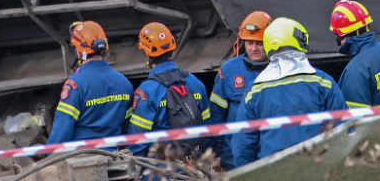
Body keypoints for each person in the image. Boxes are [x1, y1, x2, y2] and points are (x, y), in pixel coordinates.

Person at [231, 18, 347, 167]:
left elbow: (243, 144)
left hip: (273, 172)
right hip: (318, 168)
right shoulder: (322, 82)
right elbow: (343, 130)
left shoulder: (255, 91)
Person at [127, 23, 211, 159]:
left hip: (162, 170)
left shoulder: (146, 92)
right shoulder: (196, 82)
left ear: (147, 54)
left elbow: (138, 141)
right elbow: (208, 127)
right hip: (195, 166)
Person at [47, 21, 133, 144]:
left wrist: (48, 155)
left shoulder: (75, 85)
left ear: (80, 50)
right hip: (115, 156)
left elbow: (62, 130)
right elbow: (127, 127)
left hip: (82, 158)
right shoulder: (124, 83)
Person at [208, 11, 272, 170]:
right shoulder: (229, 71)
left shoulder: (280, 69)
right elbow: (217, 115)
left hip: (272, 155)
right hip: (234, 158)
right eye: (249, 43)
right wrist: (216, 154)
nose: (254, 48)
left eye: (259, 43)